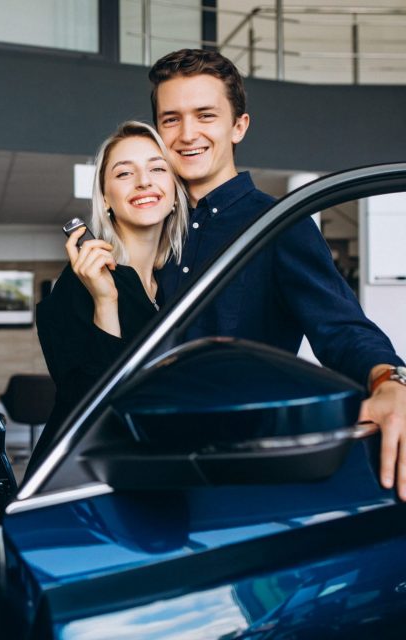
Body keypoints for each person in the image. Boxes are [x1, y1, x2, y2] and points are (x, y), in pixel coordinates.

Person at [148, 48, 406, 499]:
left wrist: (391, 381)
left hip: (236, 472)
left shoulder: (279, 225)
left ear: (238, 126)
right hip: (146, 465)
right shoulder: (150, 228)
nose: (187, 134)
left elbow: (342, 329)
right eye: (171, 119)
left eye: (205, 115)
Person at [29, 121, 189, 473]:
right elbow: (87, 407)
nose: (143, 181)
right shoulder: (80, 282)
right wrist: (105, 303)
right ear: (105, 198)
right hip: (81, 481)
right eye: (124, 173)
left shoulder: (177, 283)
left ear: (175, 191)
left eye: (157, 169)